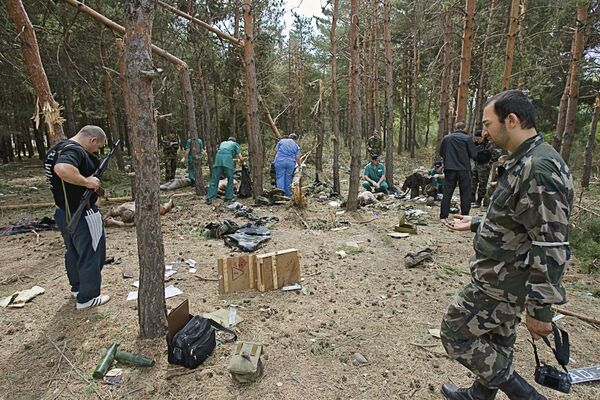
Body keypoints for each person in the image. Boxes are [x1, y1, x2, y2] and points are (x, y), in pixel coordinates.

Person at [439, 90, 574, 400]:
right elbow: (517, 220)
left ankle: (528, 397)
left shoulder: (538, 169)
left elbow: (550, 241)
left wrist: (540, 308)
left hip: (503, 281)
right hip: (502, 274)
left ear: (511, 120)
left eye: (488, 124)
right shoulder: (525, 160)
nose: (484, 132)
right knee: (497, 339)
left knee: (455, 334)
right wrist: (475, 222)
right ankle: (479, 395)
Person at [44, 125, 110, 310]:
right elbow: (62, 169)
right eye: (97, 147)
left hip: (63, 212)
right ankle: (87, 297)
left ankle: (77, 287)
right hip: (82, 213)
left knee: (73, 251)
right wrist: (87, 181)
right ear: (92, 140)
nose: (97, 151)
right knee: (92, 252)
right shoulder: (75, 151)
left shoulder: (54, 150)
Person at [438, 121, 478, 223]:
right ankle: (464, 215)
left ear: (455, 128)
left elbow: (441, 152)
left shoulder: (446, 138)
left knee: (447, 192)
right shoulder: (467, 139)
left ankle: (443, 216)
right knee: (465, 192)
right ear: (464, 129)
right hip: (464, 169)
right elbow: (474, 154)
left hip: (449, 168)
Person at [205, 137, 242, 204]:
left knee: (214, 179)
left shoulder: (223, 143)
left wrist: (234, 160)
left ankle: (209, 198)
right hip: (227, 159)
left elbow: (224, 154)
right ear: (234, 141)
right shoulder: (235, 144)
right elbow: (239, 156)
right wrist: (242, 161)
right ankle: (228, 198)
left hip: (218, 158)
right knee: (230, 179)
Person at [471, 129, 493, 208]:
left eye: (479, 139)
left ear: (482, 137)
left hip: (484, 165)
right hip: (476, 164)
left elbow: (493, 154)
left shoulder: (487, 144)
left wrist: (489, 163)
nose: (477, 140)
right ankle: (472, 199)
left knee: (482, 183)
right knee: (473, 182)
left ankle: (479, 201)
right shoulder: (474, 144)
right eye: (476, 138)